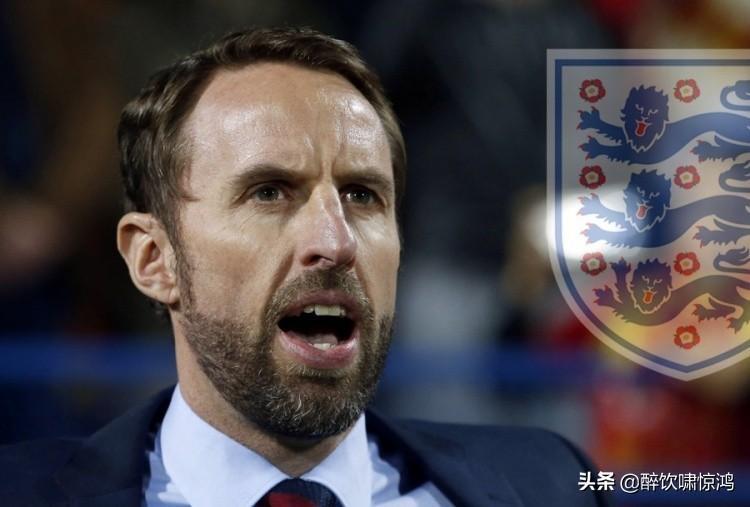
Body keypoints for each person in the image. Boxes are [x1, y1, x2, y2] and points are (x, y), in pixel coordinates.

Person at [0, 27, 610, 507]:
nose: (335, 241)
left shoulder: (555, 481)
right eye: (269, 192)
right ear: (154, 259)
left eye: (362, 195)